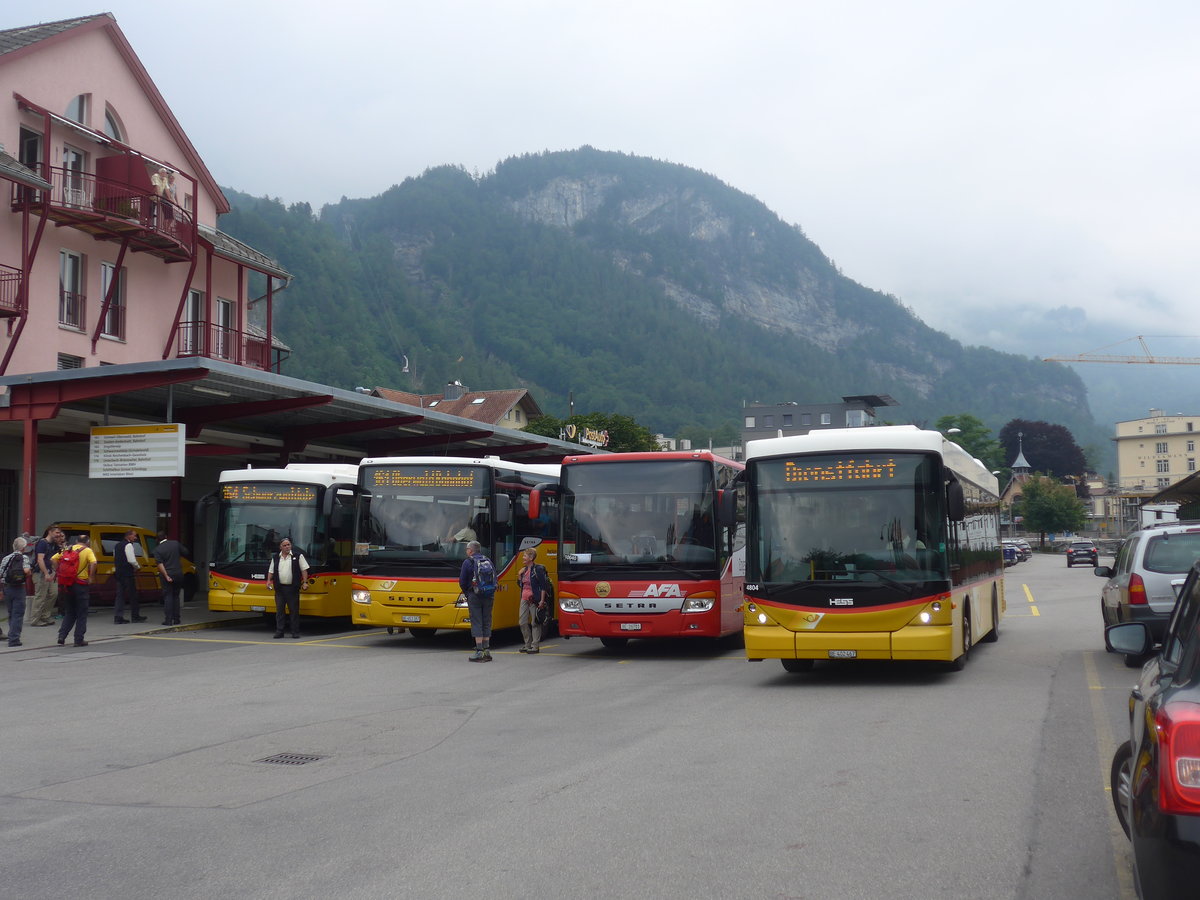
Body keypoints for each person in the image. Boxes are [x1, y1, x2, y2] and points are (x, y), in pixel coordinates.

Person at [54, 534, 96, 647]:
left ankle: (61, 636)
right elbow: (94, 562)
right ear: (87, 542)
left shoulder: (68, 549)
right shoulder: (87, 550)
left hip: (67, 584)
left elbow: (53, 559)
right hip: (81, 584)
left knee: (70, 612)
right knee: (82, 613)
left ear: (77, 541)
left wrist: (58, 572)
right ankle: (78, 639)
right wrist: (91, 577)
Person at [267, 537, 309, 639]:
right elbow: (271, 571)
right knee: (280, 611)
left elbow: (304, 570)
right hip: (279, 588)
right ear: (280, 547)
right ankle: (279, 631)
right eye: (284, 545)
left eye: (288, 545)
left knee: (294, 611)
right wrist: (268, 581)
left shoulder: (298, 556)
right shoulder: (276, 557)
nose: (287, 547)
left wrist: (305, 582)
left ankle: (295, 632)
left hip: (292, 588)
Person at [459, 541, 495, 662]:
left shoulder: (468, 562)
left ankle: (479, 651)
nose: (466, 551)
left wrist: (467, 593)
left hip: (474, 595)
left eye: (467, 549)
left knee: (476, 621)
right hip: (488, 594)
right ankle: (487, 650)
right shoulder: (488, 560)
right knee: (487, 620)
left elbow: (462, 581)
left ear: (470, 550)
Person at [516, 547, 550, 654]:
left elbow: (543, 586)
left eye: (525, 556)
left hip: (534, 599)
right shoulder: (524, 570)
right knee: (522, 622)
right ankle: (527, 643)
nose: (523, 558)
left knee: (535, 622)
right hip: (524, 598)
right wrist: (519, 575)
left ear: (531, 558)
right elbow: (520, 585)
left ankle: (535, 646)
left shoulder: (538, 570)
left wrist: (541, 601)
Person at [26, 526, 61, 627]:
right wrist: (46, 573)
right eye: (57, 532)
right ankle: (35, 619)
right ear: (50, 532)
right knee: (40, 596)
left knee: (53, 594)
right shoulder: (42, 543)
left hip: (51, 571)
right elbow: (40, 560)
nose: (58, 535)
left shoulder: (54, 544)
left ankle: (45, 616)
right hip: (41, 573)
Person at [2, 536, 31, 647]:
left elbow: (2, 574)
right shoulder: (24, 558)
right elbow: (27, 571)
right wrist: (27, 574)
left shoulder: (6, 558)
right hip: (19, 588)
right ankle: (14, 639)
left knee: (11, 613)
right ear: (23, 548)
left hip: (7, 587)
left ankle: (11, 634)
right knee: (18, 614)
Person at [113, 529, 146, 624]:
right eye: (134, 536)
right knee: (133, 595)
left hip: (119, 573)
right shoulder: (128, 545)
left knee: (120, 596)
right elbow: (131, 560)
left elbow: (115, 558)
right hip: (127, 573)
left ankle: (118, 617)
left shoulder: (117, 545)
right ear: (128, 536)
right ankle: (135, 616)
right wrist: (137, 567)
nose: (135, 538)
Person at [153, 530, 185, 626]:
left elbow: (160, 564)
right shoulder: (175, 543)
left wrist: (166, 575)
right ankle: (177, 619)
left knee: (168, 596)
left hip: (167, 574)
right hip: (178, 573)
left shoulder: (157, 550)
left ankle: (168, 620)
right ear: (166, 536)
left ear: (157, 539)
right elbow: (185, 551)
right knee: (176, 596)